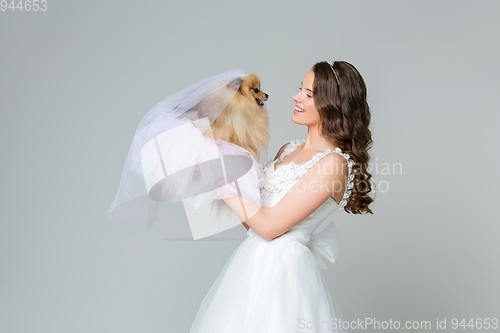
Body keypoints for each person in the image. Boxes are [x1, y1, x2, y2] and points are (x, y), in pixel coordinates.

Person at [189, 61, 374, 333]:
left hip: (285, 277)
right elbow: (253, 224)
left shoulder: (334, 163)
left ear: (332, 104)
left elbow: (270, 226)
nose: (295, 97)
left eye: (308, 94)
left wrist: (221, 180)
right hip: (251, 269)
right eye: (301, 89)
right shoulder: (287, 150)